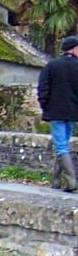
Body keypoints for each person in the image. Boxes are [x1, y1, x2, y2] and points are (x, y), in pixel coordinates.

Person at [37, 35, 78, 192]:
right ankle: (56, 181)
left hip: (55, 112)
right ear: (73, 49)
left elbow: (43, 89)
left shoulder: (51, 66)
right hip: (72, 112)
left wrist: (45, 106)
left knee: (61, 146)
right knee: (63, 144)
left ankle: (71, 181)